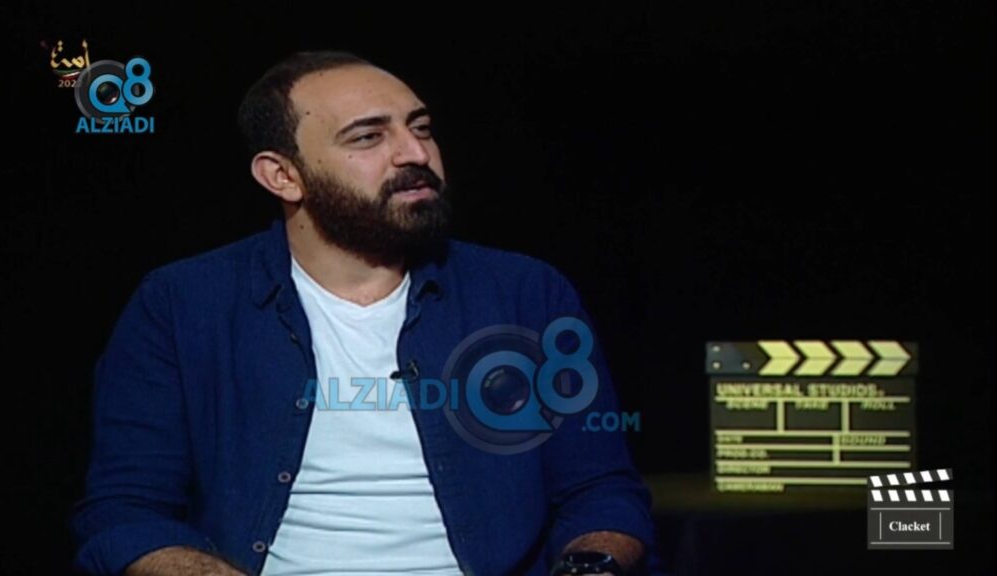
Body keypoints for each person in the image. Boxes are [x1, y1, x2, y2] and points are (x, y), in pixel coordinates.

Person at [72, 50, 658, 576]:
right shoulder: (181, 304)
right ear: (283, 176)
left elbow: (601, 491)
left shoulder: (525, 293)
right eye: (368, 137)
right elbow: (124, 512)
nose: (416, 153)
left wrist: (590, 568)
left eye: (420, 128)